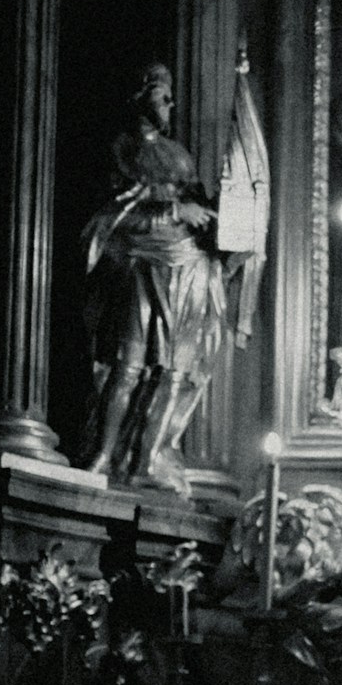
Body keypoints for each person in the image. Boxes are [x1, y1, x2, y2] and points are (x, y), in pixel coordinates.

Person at [79, 63, 226, 490]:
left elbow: (198, 207)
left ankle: (147, 460)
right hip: (142, 267)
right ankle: (104, 455)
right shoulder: (121, 149)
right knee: (127, 366)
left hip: (188, 269)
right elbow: (111, 216)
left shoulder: (178, 155)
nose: (170, 104)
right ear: (141, 96)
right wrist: (174, 211)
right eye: (163, 96)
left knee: (174, 374)